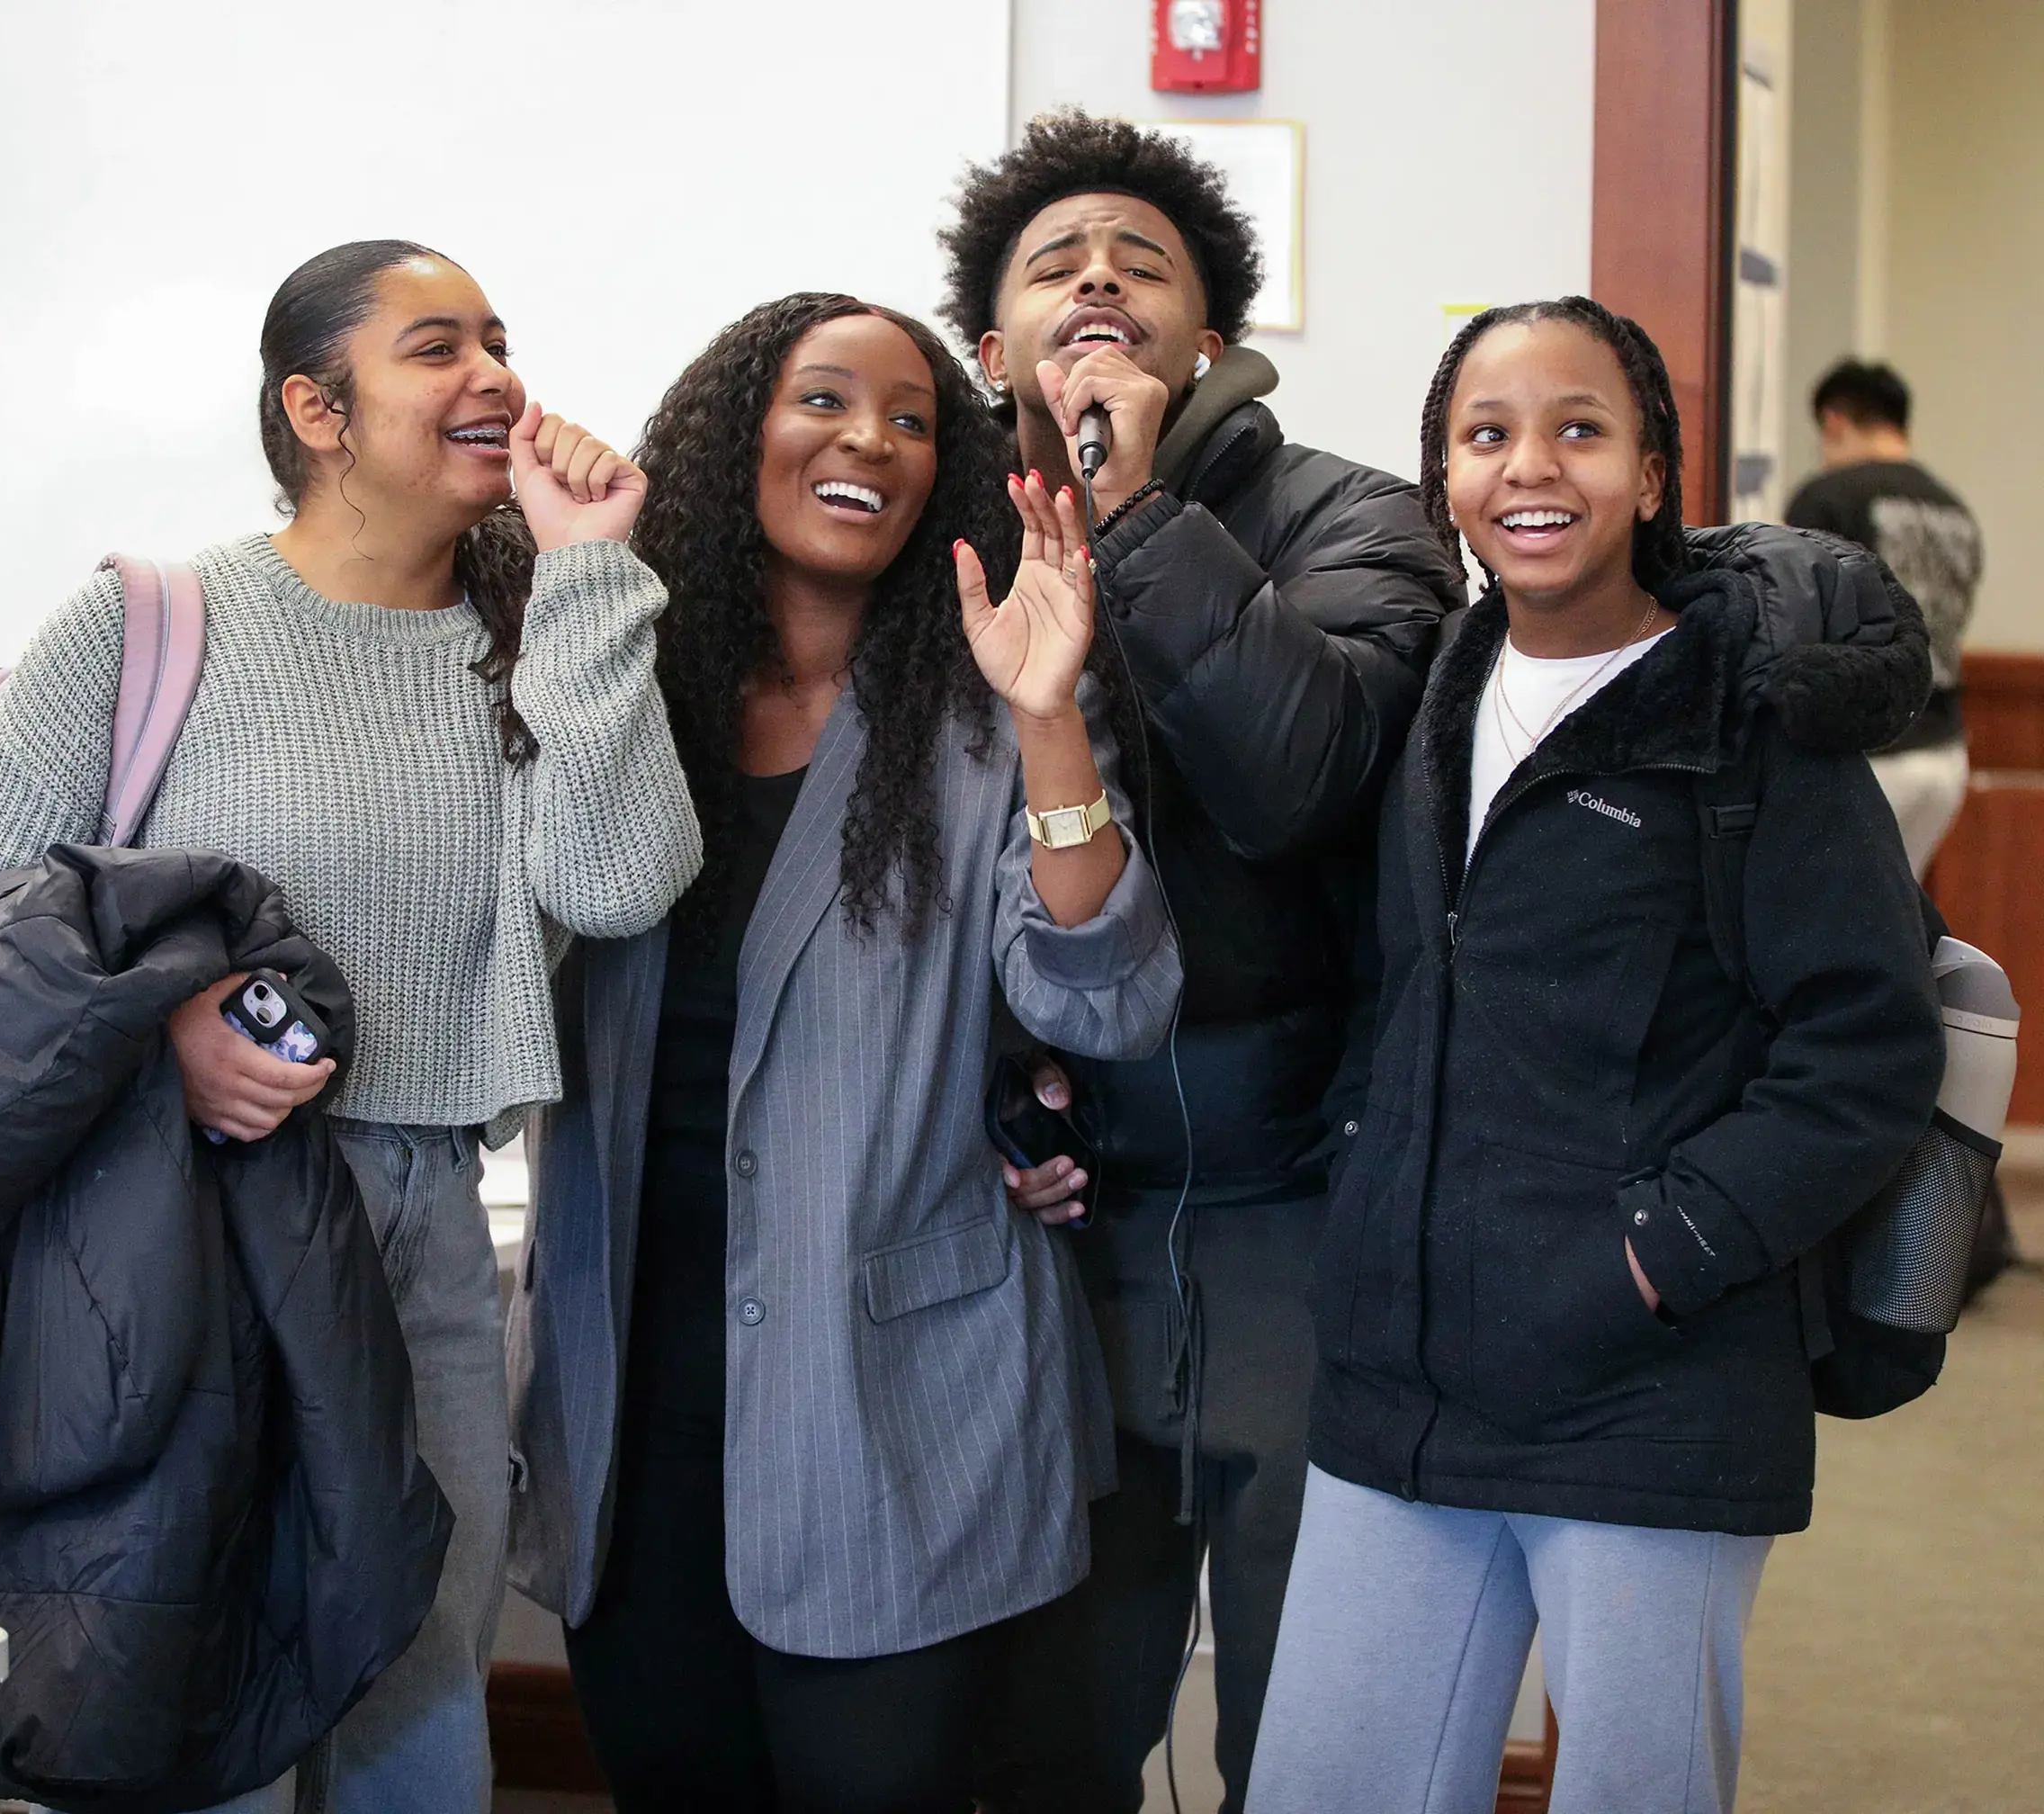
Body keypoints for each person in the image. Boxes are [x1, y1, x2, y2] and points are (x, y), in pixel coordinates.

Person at [0, 239, 703, 1811]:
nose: (493, 375)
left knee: (413, 1682)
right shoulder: (148, 623)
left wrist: (596, 569)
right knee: (181, 1678)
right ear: (317, 407)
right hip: (176, 1221)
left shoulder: (537, 635)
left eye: (499, 339)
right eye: (436, 347)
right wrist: (165, 1033)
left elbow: (618, 886)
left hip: (423, 1225)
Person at [1246, 298, 1944, 1814]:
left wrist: (1656, 1255)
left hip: (1652, 1380)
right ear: (1443, 481)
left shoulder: (1750, 715)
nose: (1531, 467)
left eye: (1579, 428)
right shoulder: (1432, 685)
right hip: (1402, 1369)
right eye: (1487, 435)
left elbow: (1865, 1051)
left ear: (1651, 470)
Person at [501, 292, 1183, 1814]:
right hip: (633, 1390)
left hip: (897, 1396)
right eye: (822, 401)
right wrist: (583, 578)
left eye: (910, 418)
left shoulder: (987, 700)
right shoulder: (628, 688)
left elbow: (1107, 1003)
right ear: (736, 436)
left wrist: (1052, 716)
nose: (867, 439)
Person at [938, 110, 1462, 1812]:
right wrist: (987, 1095)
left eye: (1141, 264)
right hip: (1051, 1246)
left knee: (1308, 1747)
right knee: (1049, 1735)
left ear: (1211, 342)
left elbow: (1306, 778)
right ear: (990, 343)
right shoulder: (936, 551)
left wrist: (1140, 510)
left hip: (1306, 1214)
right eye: (1055, 266)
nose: (1098, 279)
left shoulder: (1361, 520)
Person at [1786, 357, 1984, 873]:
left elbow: (1794, 627)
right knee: (1893, 915)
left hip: (1869, 754)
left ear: (1832, 422)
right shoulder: (1954, 509)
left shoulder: (1827, 498)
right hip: (1944, 754)